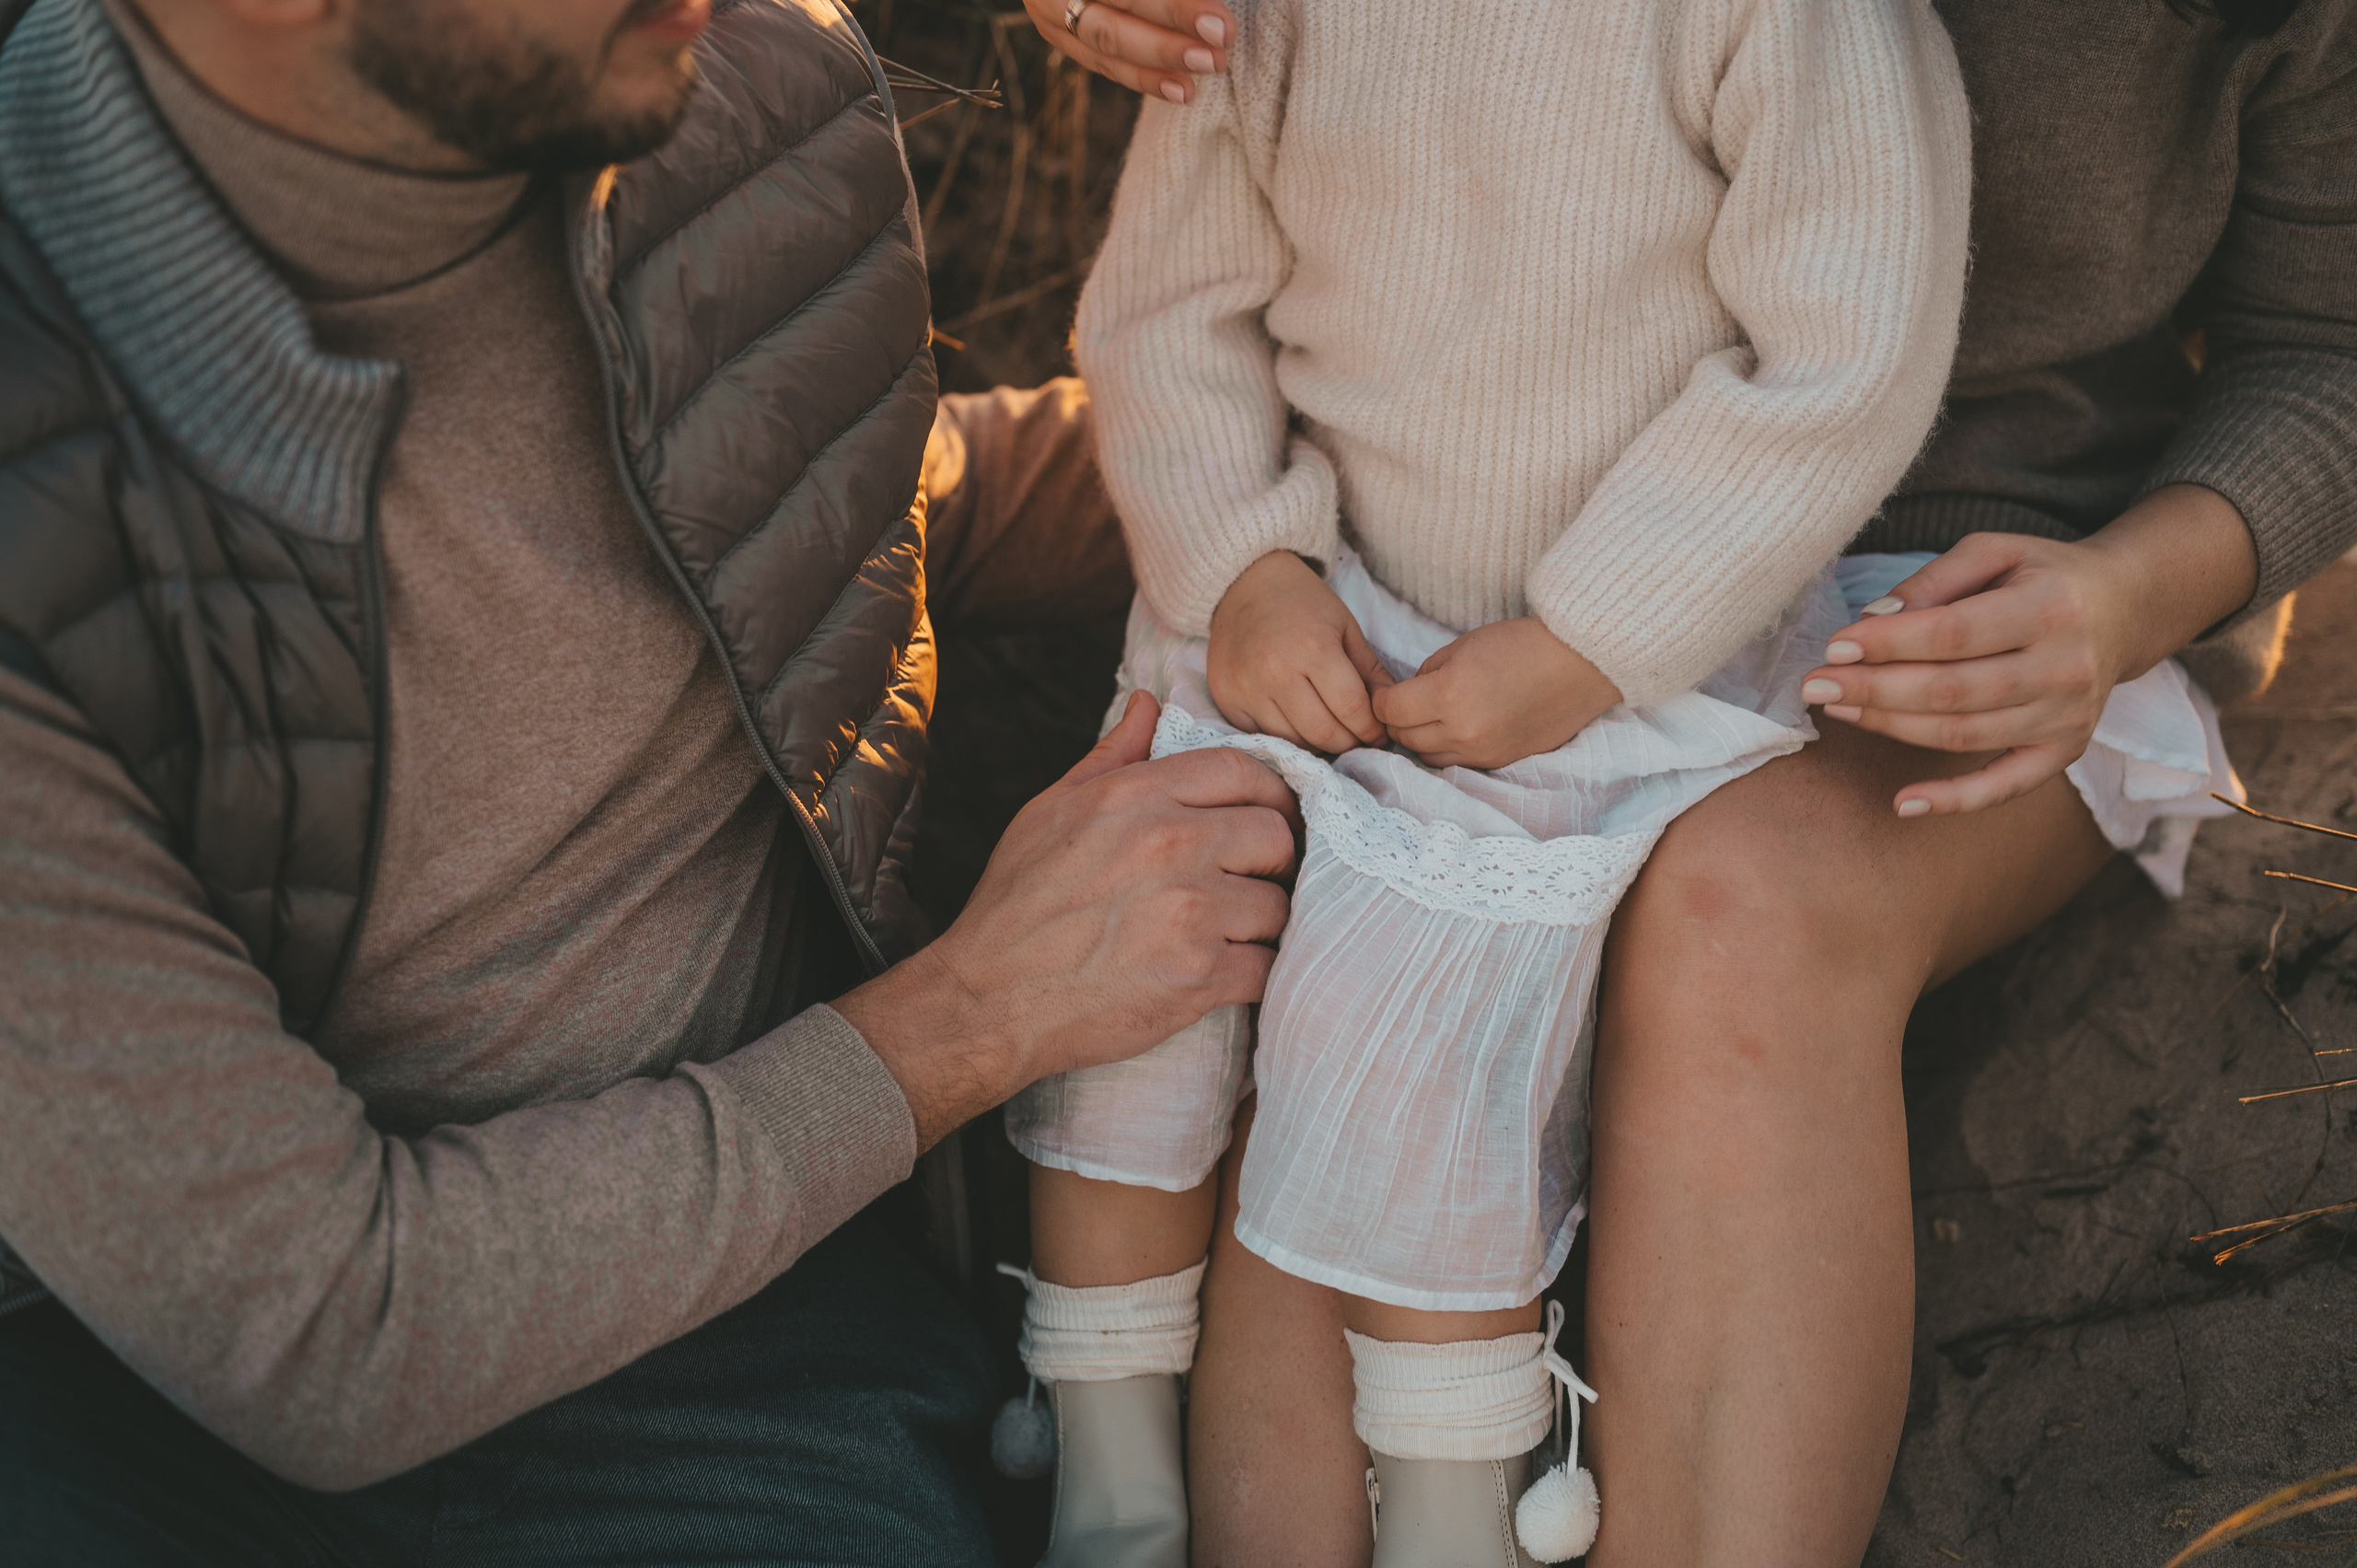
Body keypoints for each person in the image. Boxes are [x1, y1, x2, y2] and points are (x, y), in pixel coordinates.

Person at [1030, 0, 2357, 1563]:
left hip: (1987, 578)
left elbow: (2326, 341)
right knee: (1350, 978)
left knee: (1744, 911)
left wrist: (2134, 591)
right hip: (1469, 550)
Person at [0, 0, 1298, 1562]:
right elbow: (321, 1330)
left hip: (738, 1327)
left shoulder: (730, 79)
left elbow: (838, 501)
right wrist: (982, 1010)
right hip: (143, 1394)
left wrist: (1328, 509)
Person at [996, 0, 1977, 1562]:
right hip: (1305, 615)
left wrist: (1594, 636)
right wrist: (1241, 562)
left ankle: (1449, 1500)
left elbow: (1843, 351)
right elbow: (1168, 307)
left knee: (1425, 1030)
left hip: (1612, 660)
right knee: (1155, 942)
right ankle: (1108, 1477)